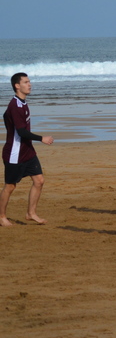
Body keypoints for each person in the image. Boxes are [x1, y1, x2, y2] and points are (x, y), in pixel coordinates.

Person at [1, 73, 54, 227]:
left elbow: (6, 116)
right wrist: (41, 138)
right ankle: (1, 216)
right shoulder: (15, 106)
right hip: (14, 153)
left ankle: (31, 213)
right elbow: (21, 132)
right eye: (25, 82)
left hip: (27, 151)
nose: (29, 84)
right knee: (10, 186)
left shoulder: (22, 103)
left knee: (39, 180)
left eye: (29, 81)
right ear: (17, 86)